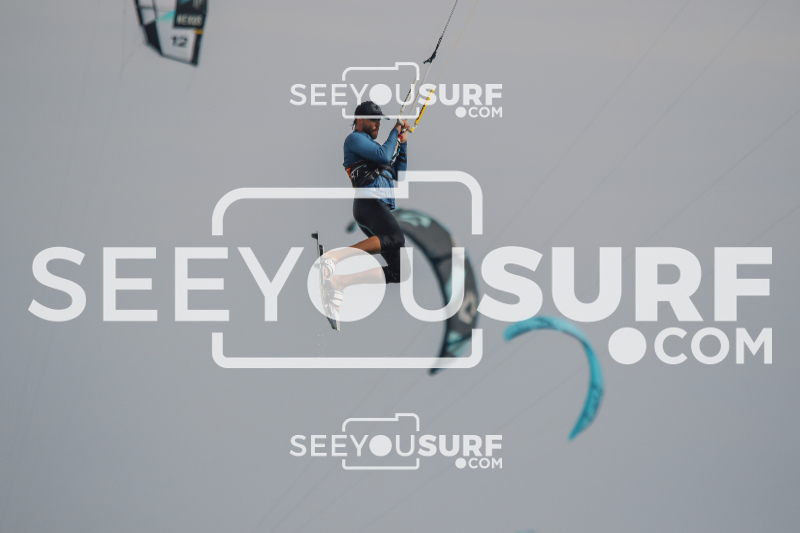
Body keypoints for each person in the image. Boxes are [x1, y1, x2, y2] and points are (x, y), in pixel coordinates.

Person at [320, 101, 410, 326]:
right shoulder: (354, 139)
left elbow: (399, 174)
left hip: (378, 207)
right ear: (359, 120)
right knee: (396, 238)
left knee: (401, 272)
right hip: (368, 202)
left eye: (380, 121)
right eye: (373, 120)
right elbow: (383, 156)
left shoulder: (376, 147)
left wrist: (402, 143)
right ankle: (333, 257)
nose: (377, 124)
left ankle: (341, 282)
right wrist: (395, 131)